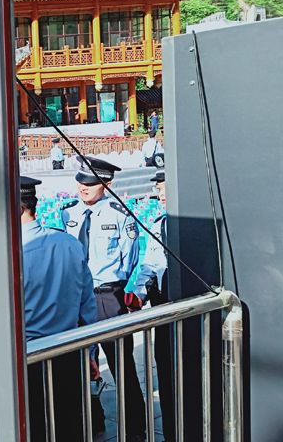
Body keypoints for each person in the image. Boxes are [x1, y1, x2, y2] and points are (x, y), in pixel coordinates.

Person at [61, 156, 145, 440]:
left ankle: (135, 426)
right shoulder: (67, 213)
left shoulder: (121, 215)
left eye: (90, 183)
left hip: (107, 297)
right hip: (76, 297)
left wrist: (121, 292)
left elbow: (130, 260)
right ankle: (92, 421)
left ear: (107, 184)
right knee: (83, 364)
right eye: (80, 182)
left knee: (122, 365)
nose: (82, 187)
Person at [20, 176, 96, 441]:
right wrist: (90, 352)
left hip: (28, 359)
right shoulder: (69, 243)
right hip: (69, 351)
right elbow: (88, 306)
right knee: (70, 426)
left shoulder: (9, 253)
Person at [129, 170, 175, 441]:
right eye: (158, 189)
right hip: (164, 305)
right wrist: (139, 293)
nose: (161, 194)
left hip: (190, 307)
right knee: (166, 371)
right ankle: (171, 431)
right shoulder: (160, 224)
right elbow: (151, 264)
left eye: (164, 188)